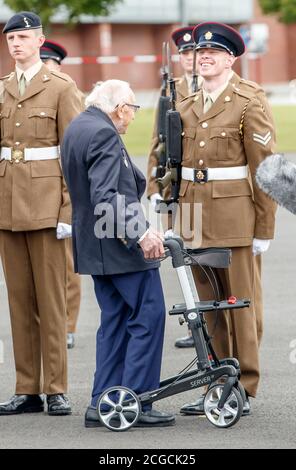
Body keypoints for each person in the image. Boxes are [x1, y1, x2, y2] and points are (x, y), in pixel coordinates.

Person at [174, 22, 277, 416]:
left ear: (231, 58)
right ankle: (215, 381)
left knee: (240, 304)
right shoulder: (184, 104)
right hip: (193, 217)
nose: (204, 58)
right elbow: (175, 166)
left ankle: (243, 386)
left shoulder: (249, 100)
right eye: (200, 54)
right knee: (206, 306)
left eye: (212, 53)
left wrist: (264, 229)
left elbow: (264, 170)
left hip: (235, 216)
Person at [61, 79, 175, 428]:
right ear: (119, 108)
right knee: (148, 314)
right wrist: (140, 233)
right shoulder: (103, 133)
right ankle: (138, 398)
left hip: (96, 245)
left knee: (113, 322)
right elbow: (107, 196)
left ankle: (104, 400)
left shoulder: (78, 126)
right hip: (117, 245)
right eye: (133, 110)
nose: (133, 119)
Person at [0, 11, 83, 416]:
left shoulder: (61, 87)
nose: (16, 44)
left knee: (52, 302)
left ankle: (56, 388)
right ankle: (27, 388)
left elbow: (75, 155)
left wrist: (68, 209)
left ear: (40, 40)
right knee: (18, 302)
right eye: (11, 38)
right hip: (8, 207)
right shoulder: (1, 89)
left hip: (48, 205)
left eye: (24, 37)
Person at [147, 26, 202, 348]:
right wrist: (154, 184)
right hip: (178, 187)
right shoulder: (171, 89)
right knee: (188, 255)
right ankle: (198, 321)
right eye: (184, 53)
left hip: (211, 187)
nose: (189, 59)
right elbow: (158, 141)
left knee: (217, 261)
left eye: (194, 53)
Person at [40, 39, 82, 349]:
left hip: (63, 190)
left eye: (49, 63)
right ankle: (45, 323)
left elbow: (75, 151)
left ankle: (67, 324)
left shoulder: (67, 92)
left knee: (66, 265)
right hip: (33, 191)